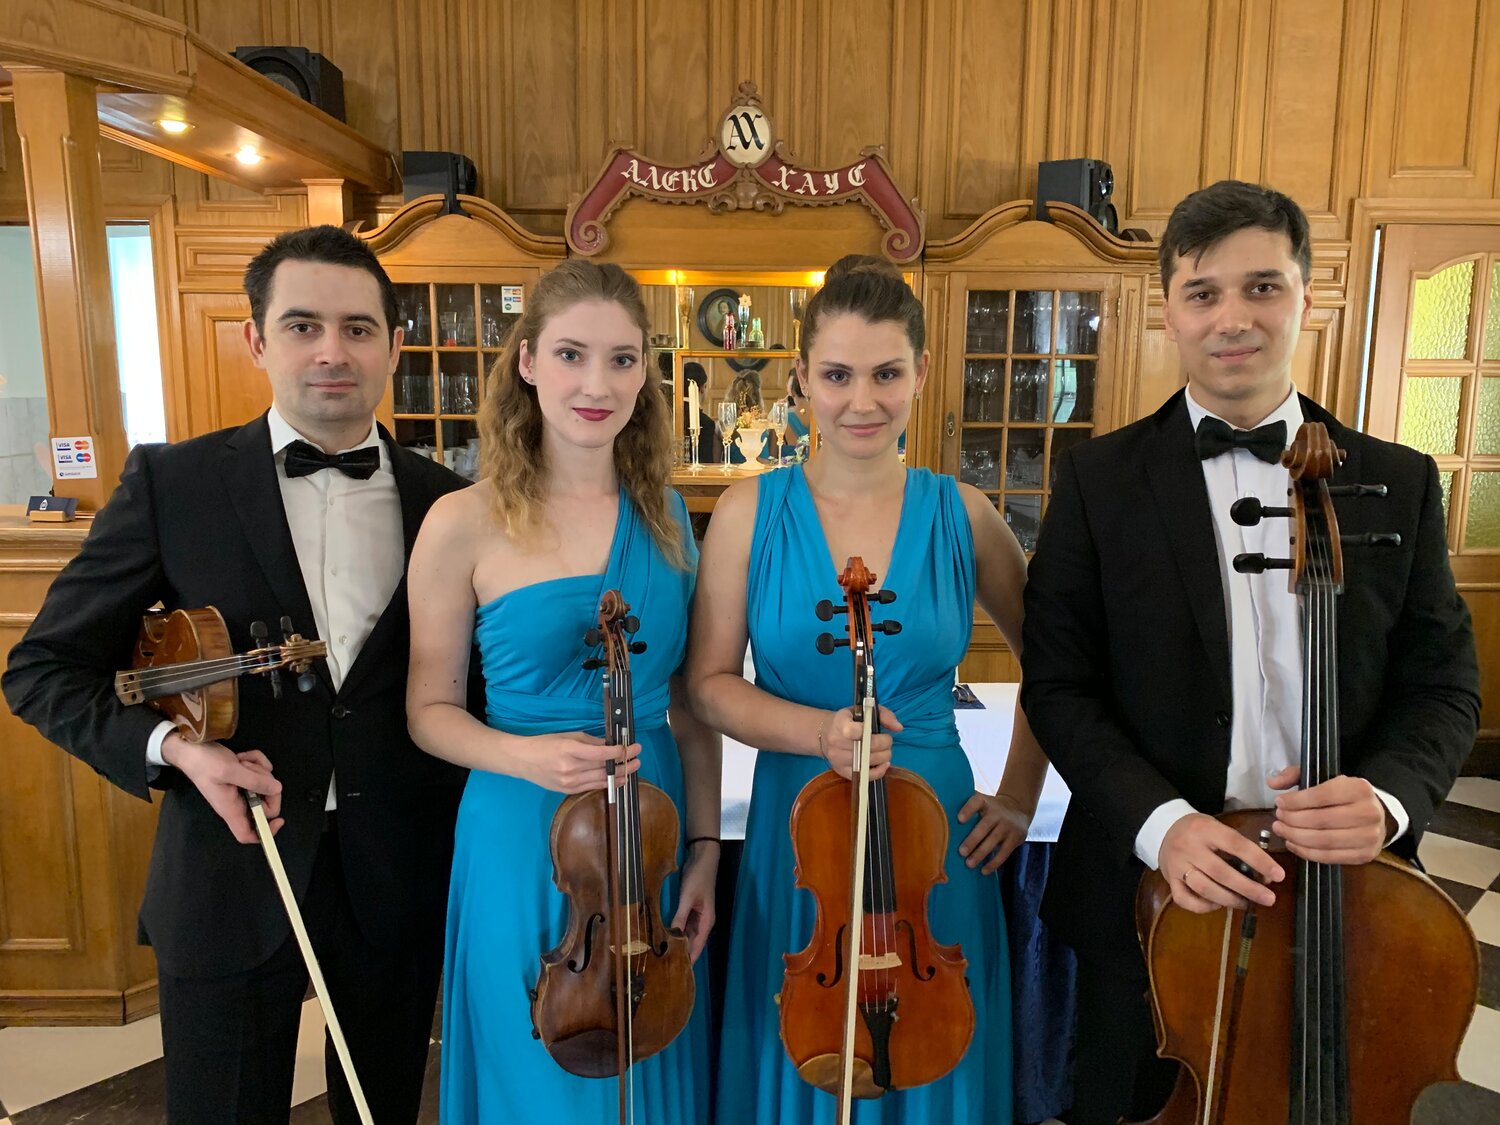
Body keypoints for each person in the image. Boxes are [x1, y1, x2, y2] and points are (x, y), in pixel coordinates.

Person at [1019, 180, 1480, 1125]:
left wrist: (1389, 797)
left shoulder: (1398, 479)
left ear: (1307, 294)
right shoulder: (1098, 480)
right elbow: (1061, 685)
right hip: (1145, 903)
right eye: (1204, 293)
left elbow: (1443, 685)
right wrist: (1160, 825)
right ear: (1170, 311)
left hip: (1352, 904)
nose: (1233, 318)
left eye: (1262, 286)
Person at [2, 224, 471, 1123]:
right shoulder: (172, 484)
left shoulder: (447, 501)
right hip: (229, 870)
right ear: (256, 339)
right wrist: (176, 750)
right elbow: (44, 668)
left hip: (396, 875)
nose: (332, 351)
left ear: (394, 344)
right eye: (302, 325)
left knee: (380, 1109)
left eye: (358, 328)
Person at [690, 254, 1047, 1123]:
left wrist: (1018, 795)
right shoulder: (746, 512)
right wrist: (818, 733)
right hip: (801, 834)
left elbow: (1059, 665)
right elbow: (708, 686)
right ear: (802, 375)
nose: (862, 400)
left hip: (935, 839)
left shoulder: (965, 514)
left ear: (920, 372)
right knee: (805, 1039)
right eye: (838, 375)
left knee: (931, 1044)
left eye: (886, 374)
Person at [405, 259, 719, 1124]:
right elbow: (428, 712)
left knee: (647, 1060)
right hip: (520, 828)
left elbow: (690, 710)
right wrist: (524, 755)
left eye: (622, 359)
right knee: (537, 1069)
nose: (597, 384)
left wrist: (702, 849)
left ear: (646, 373)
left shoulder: (669, 519)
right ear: (528, 361)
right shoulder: (461, 521)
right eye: (572, 354)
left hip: (648, 836)